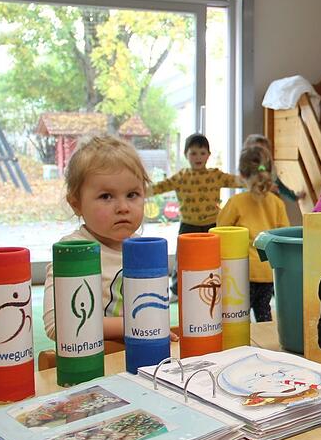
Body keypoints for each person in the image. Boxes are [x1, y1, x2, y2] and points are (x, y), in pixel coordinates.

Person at [43, 136, 178, 342]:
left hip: (138, 360)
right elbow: (58, 325)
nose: (123, 207)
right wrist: (135, 324)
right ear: (76, 204)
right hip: (92, 364)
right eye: (106, 196)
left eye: (132, 194)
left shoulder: (142, 249)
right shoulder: (73, 251)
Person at [216, 142, 289, 322]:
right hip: (268, 272)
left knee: (238, 317)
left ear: (242, 175)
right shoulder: (277, 203)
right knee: (264, 313)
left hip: (242, 272)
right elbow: (284, 235)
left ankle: (242, 348)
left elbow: (218, 234)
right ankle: (268, 347)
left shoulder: (235, 203)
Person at [150, 133, 241, 236]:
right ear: (186, 154)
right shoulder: (181, 177)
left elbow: (237, 181)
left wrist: (258, 181)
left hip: (213, 225)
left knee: (212, 252)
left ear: (208, 155)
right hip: (188, 226)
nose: (198, 157)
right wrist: (137, 191)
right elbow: (160, 187)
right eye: (193, 153)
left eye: (202, 153)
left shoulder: (216, 175)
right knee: (186, 252)